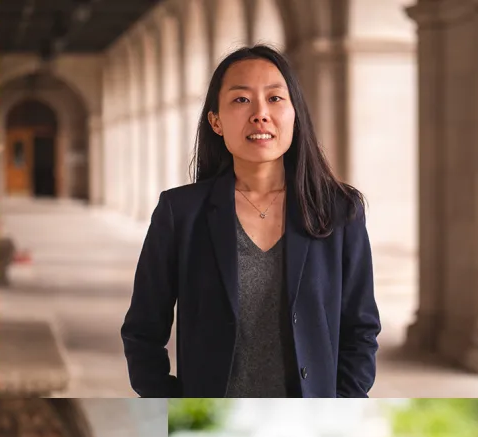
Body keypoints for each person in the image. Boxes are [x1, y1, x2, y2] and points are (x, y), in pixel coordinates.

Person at [121, 45, 380, 398]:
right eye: (241, 100)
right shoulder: (180, 212)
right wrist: (167, 401)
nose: (260, 114)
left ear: (294, 114)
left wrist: (344, 402)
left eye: (275, 98)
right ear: (216, 121)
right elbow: (143, 330)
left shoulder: (340, 210)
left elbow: (361, 329)